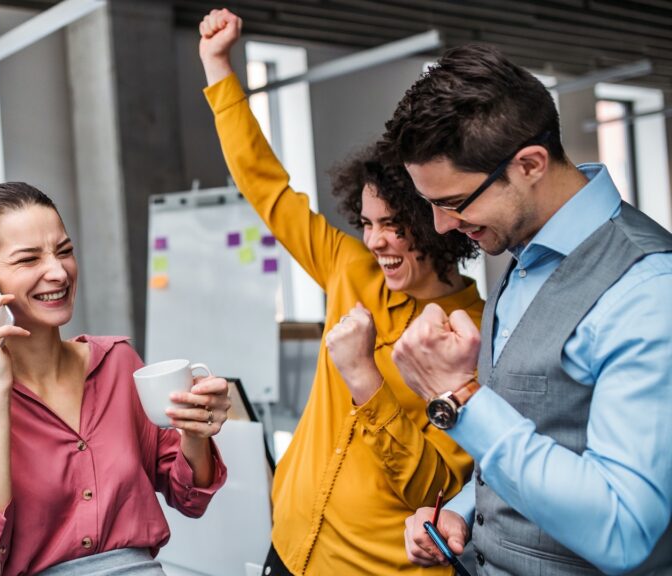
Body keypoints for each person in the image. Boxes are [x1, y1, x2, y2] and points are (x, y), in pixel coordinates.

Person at [198, 9, 483, 575]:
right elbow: (268, 189)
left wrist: (365, 381)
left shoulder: (476, 331)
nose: (375, 241)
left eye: (393, 224)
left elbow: (436, 483)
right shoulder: (351, 268)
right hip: (288, 544)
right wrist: (217, 67)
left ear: (436, 220)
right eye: (368, 221)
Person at [385, 44, 672, 575]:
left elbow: (625, 528)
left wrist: (458, 397)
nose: (442, 226)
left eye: (453, 203)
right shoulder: (521, 255)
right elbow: (536, 431)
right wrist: (467, 511)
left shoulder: (649, 289)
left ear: (530, 165)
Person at [0, 182, 231, 576]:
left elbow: (190, 499)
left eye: (64, 251)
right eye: (29, 259)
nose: (58, 272)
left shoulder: (118, 362)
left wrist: (195, 432)